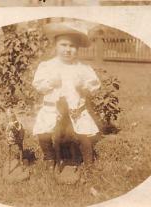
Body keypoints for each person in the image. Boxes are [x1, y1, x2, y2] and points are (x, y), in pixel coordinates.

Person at [32, 21, 101, 172]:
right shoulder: (47, 66)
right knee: (43, 133)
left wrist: (83, 85)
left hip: (76, 110)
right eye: (63, 45)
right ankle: (50, 157)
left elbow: (94, 86)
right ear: (55, 45)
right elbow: (39, 86)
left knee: (84, 135)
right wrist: (51, 82)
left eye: (72, 46)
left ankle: (88, 163)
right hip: (52, 109)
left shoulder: (82, 68)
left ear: (78, 49)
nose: (68, 50)